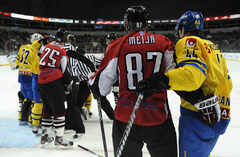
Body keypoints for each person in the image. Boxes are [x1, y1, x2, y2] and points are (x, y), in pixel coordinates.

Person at [136, 10, 233, 157]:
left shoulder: (188, 42)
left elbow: (192, 77)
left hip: (198, 117)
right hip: (220, 114)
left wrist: (162, 79)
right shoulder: (212, 46)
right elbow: (228, 82)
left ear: (183, 29)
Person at [89, 5, 177, 157]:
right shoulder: (164, 42)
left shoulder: (117, 45)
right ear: (147, 24)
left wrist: (93, 83)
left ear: (126, 25)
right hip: (159, 117)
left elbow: (101, 87)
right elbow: (175, 77)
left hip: (126, 117)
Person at [38, 28, 74, 149]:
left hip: (41, 81)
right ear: (64, 39)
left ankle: (45, 136)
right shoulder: (62, 50)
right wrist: (68, 83)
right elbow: (64, 70)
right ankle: (59, 138)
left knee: (47, 110)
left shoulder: (47, 45)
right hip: (53, 82)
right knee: (59, 111)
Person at [75, 46, 115, 120]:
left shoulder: (74, 61)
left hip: (84, 83)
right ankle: (112, 116)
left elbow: (74, 73)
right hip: (94, 81)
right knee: (102, 100)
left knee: (79, 102)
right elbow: (102, 62)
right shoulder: (91, 57)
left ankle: (74, 118)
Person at [15, 33, 43, 126]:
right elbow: (37, 65)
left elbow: (17, 60)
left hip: (21, 75)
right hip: (30, 75)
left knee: (26, 97)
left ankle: (22, 117)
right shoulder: (35, 50)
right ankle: (31, 119)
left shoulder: (23, 47)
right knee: (33, 98)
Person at [63, 32, 85, 139]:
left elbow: (67, 66)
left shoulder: (66, 47)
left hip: (69, 78)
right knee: (71, 103)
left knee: (70, 104)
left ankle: (79, 128)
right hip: (74, 78)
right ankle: (69, 125)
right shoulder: (72, 48)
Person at [106, 33, 120, 105]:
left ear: (112, 40)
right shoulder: (120, 44)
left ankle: (117, 103)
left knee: (115, 89)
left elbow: (107, 58)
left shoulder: (111, 45)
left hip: (115, 70)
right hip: (121, 69)